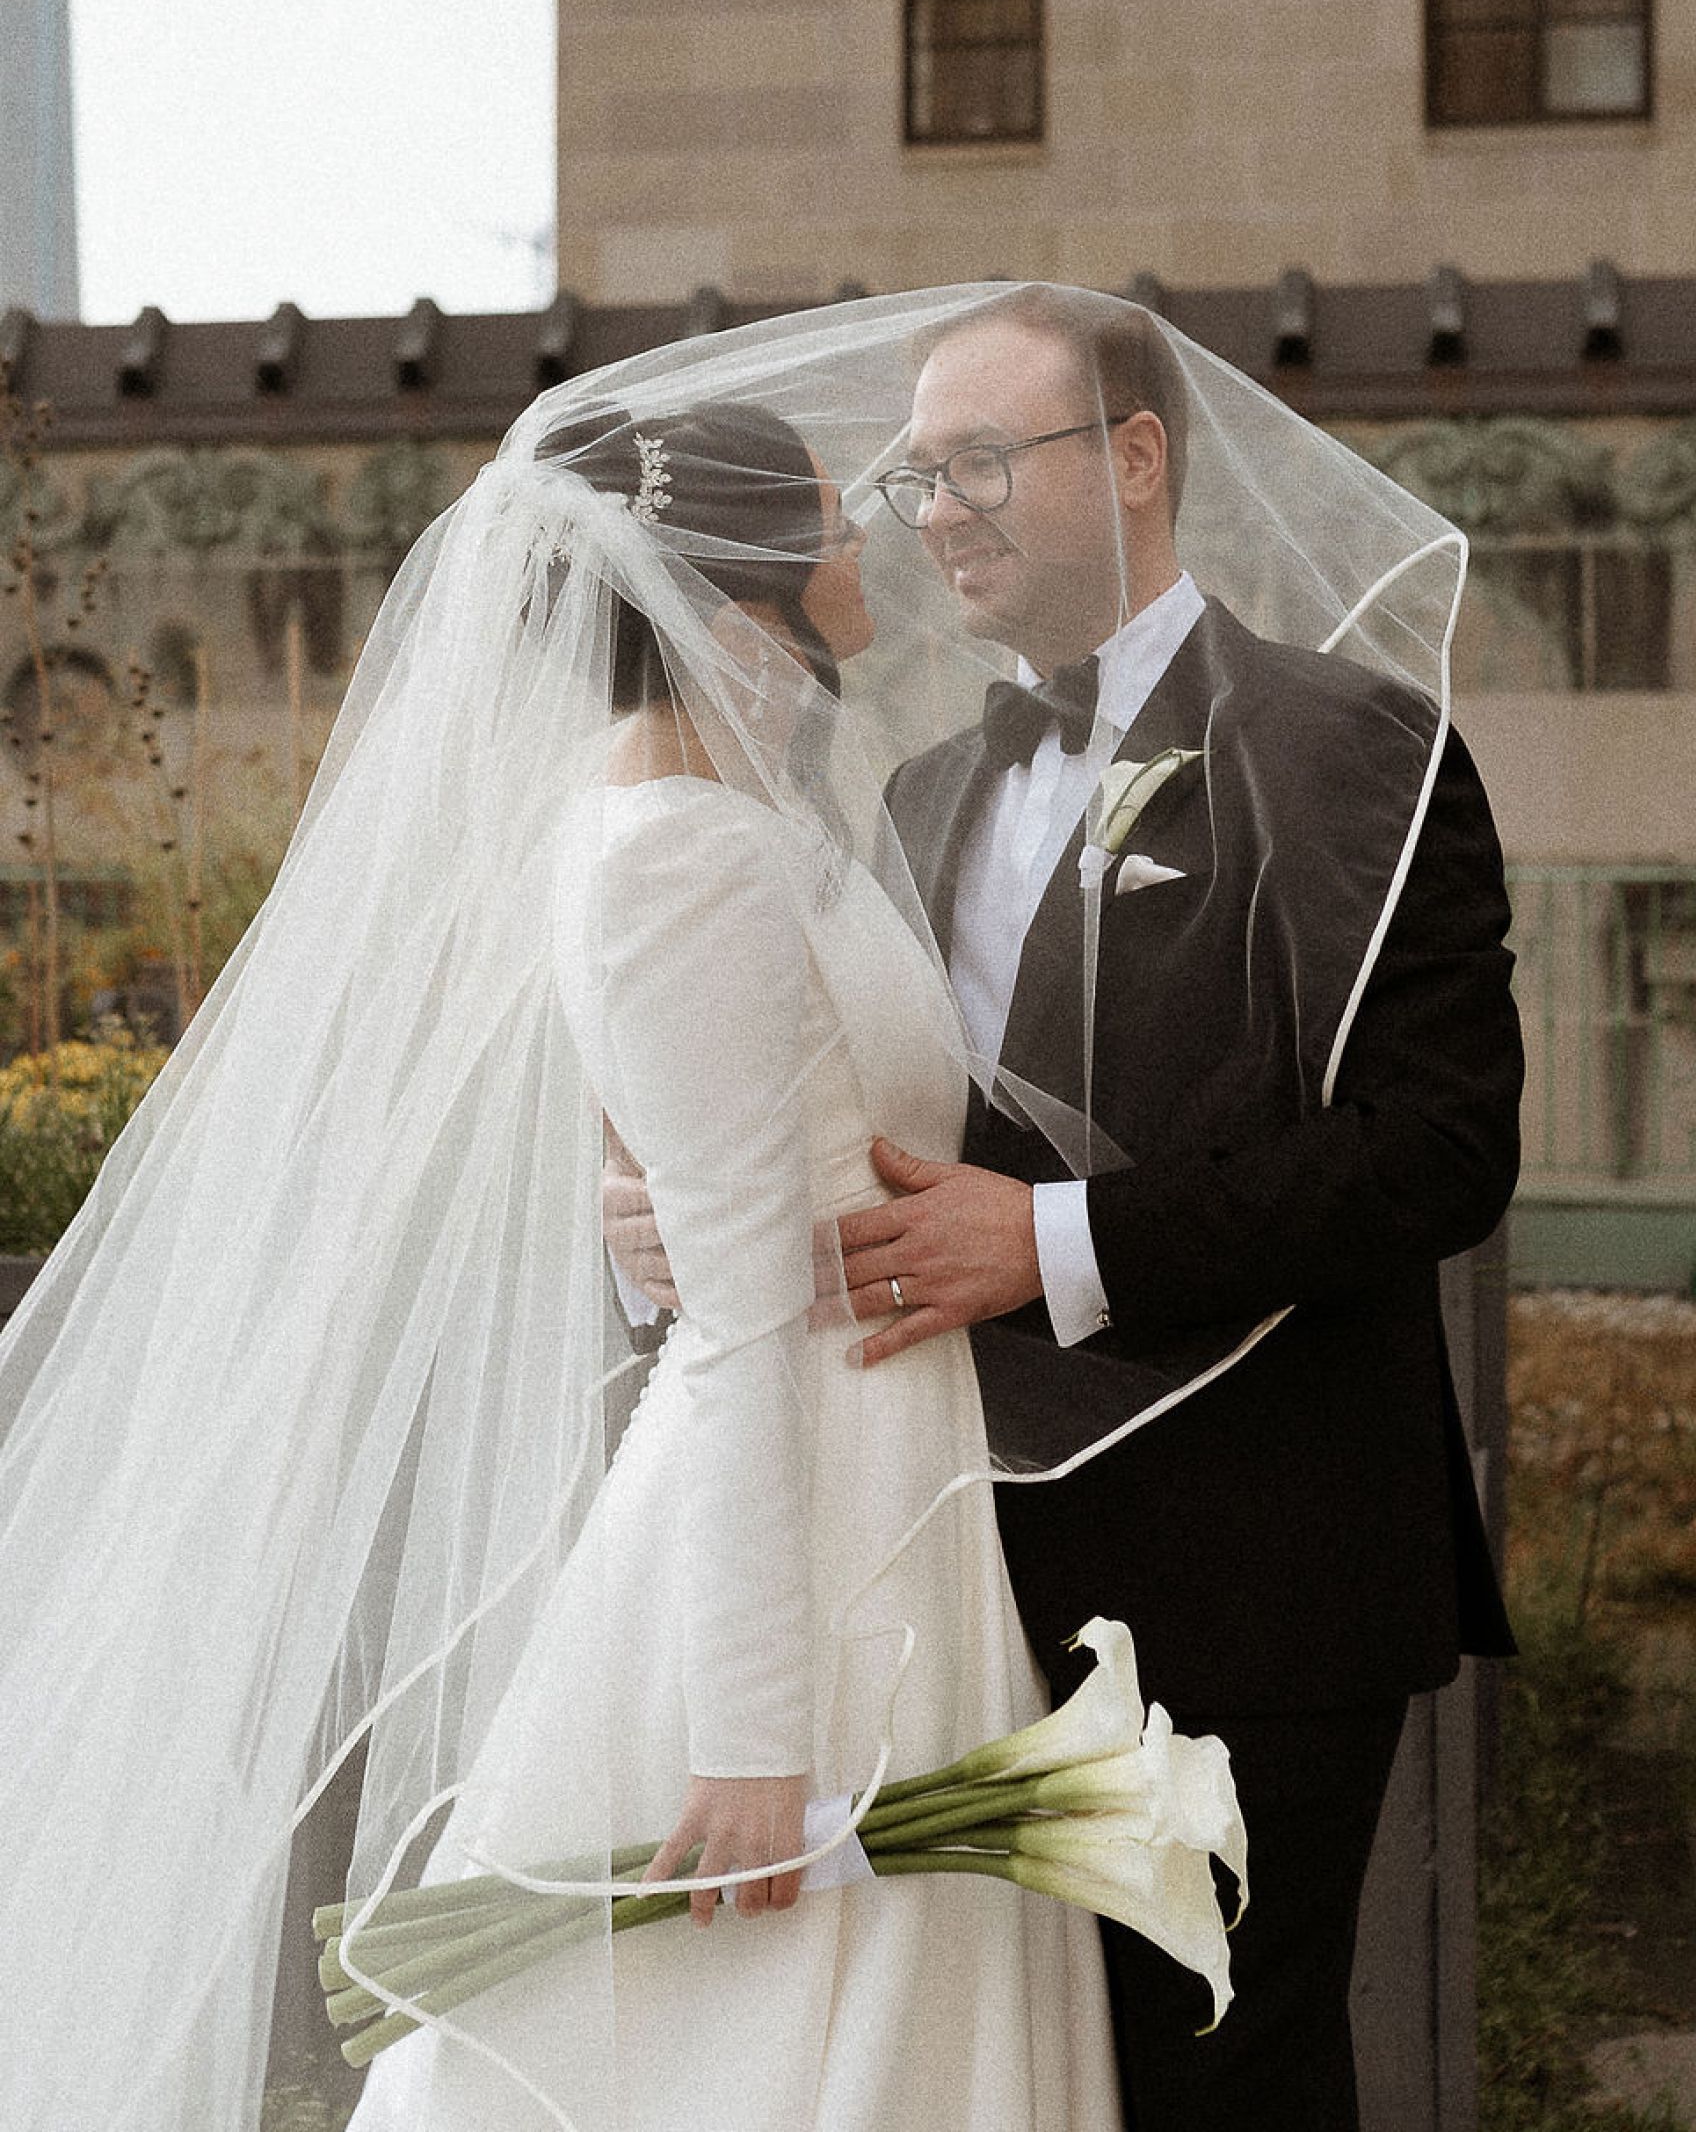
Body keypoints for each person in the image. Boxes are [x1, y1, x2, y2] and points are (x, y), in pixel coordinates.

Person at [0, 377, 1127, 2131]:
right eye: (829, 515)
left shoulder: (741, 814)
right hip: (799, 1522)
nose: (861, 541)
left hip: (885, 1469)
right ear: (738, 571)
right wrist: (751, 1740)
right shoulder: (669, 849)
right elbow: (746, 1318)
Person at [837, 285, 1524, 2130]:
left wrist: (1052, 1244)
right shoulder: (921, 798)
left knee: (1223, 2083)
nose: (944, 510)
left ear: (1135, 459)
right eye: (920, 476)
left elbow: (1442, 1147)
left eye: (984, 458)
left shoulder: (1352, 755)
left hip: (1264, 1563)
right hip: (968, 1569)